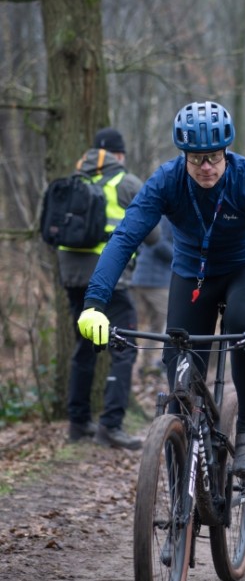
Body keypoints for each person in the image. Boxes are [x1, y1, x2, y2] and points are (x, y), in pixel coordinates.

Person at [76, 101, 245, 476]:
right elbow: (125, 238)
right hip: (193, 273)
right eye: (195, 159)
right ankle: (183, 458)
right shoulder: (166, 181)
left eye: (213, 157)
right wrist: (94, 303)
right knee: (178, 359)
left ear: (226, 151)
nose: (206, 167)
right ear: (184, 157)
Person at [60, 127, 156, 449]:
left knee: (84, 346)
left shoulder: (75, 178)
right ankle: (111, 426)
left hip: (71, 275)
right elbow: (153, 236)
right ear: (119, 155)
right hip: (109, 279)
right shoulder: (127, 182)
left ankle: (78, 422)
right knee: (124, 348)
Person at [130, 216, 174, 373]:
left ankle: (145, 365)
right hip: (154, 281)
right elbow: (157, 243)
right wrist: (181, 256)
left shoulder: (156, 215)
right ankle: (159, 363)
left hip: (143, 277)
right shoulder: (166, 217)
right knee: (167, 323)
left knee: (152, 325)